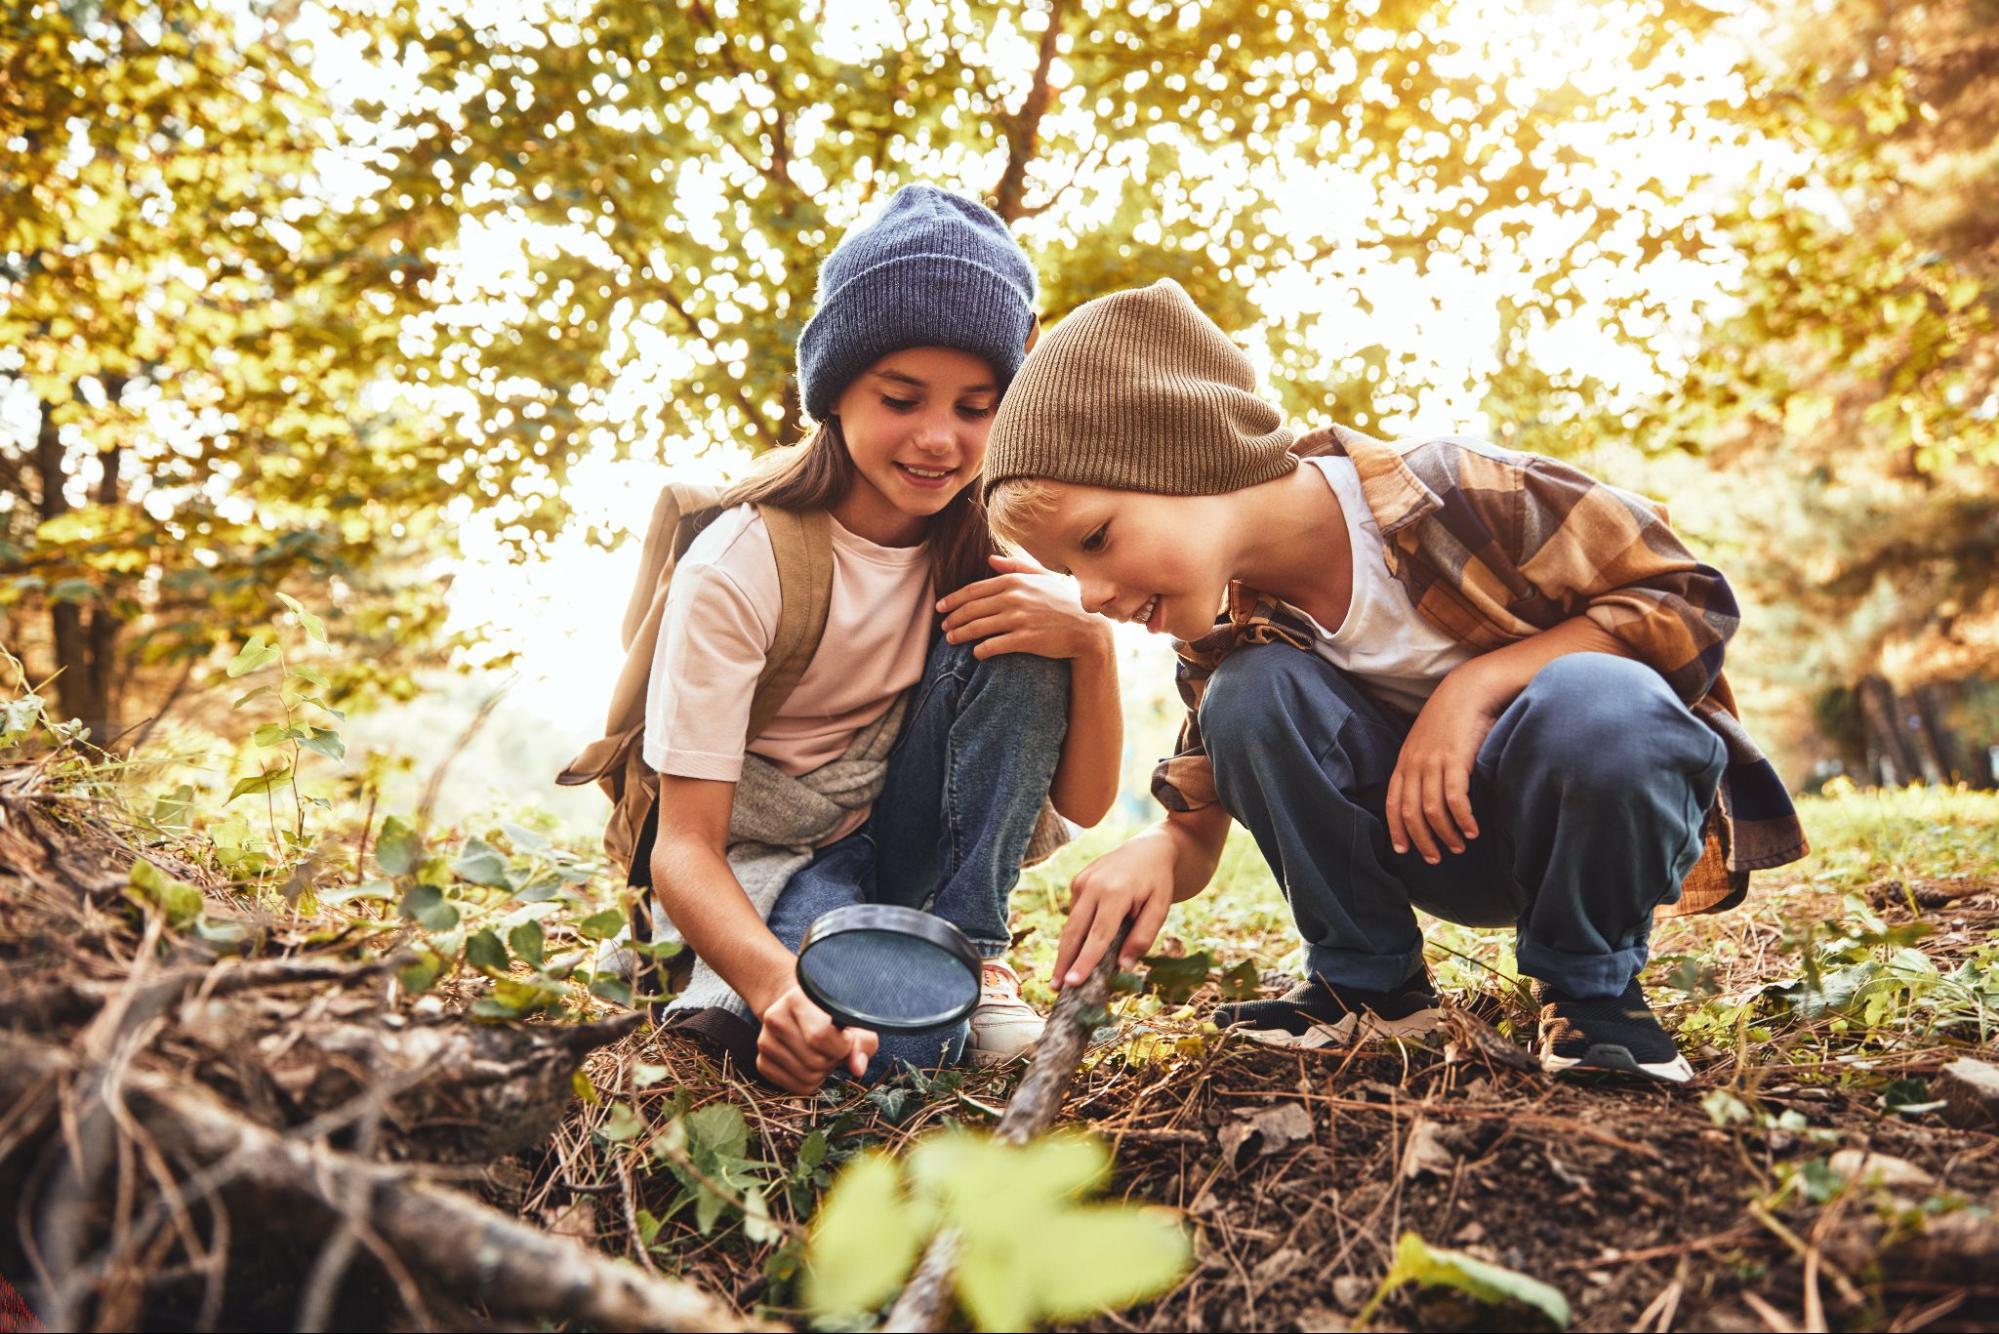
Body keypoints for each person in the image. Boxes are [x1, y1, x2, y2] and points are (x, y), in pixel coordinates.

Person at [980, 278, 1806, 1083]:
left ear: (1186, 457)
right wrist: (1158, 852)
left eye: (1094, 539)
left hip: (1588, 820)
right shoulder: (1224, 634)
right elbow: (1200, 821)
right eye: (1061, 568)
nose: (1087, 595)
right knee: (1251, 689)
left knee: (1602, 699)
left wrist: (1472, 688)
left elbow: (1686, 600)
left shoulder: (1462, 492)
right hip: (1432, 850)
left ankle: (1593, 998)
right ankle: (1370, 987)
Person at [639, 187, 1121, 1094]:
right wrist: (778, 990)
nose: (938, 439)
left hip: (907, 835)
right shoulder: (741, 565)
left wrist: (1088, 641)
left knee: (1026, 628)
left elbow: (1087, 803)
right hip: (772, 853)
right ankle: (776, 974)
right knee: (869, 1054)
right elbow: (684, 845)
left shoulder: (988, 553)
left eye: (977, 409)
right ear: (836, 391)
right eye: (901, 398)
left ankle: (970, 954)